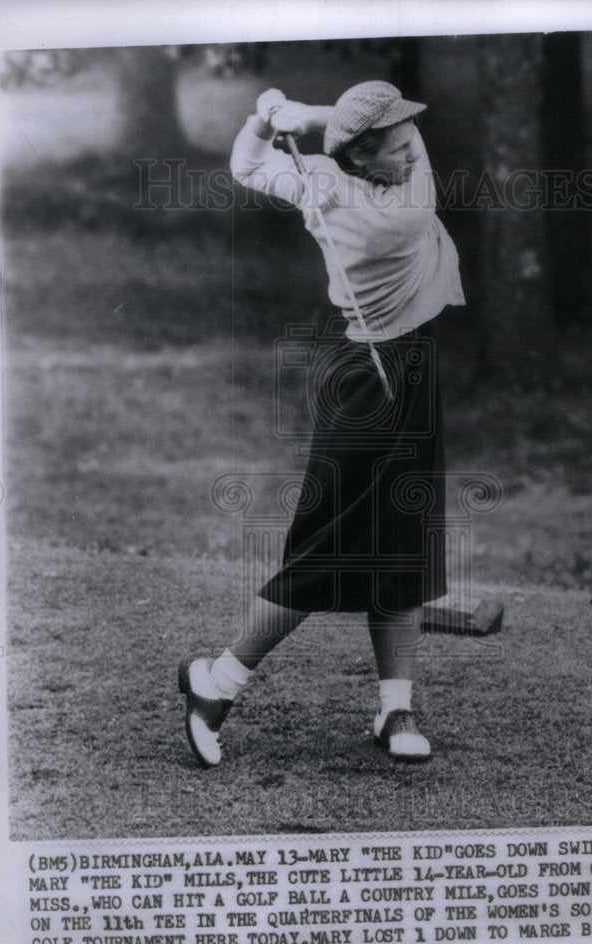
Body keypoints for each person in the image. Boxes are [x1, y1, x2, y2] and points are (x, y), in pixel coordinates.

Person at [179, 80, 465, 768]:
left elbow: (246, 164)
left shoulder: (317, 178)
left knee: (401, 537)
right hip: (377, 380)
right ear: (364, 160)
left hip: (396, 365)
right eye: (393, 144)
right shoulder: (397, 211)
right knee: (326, 549)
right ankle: (214, 683)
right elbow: (414, 146)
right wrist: (306, 114)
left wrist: (264, 118)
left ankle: (395, 707)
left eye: (403, 138)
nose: (409, 147)